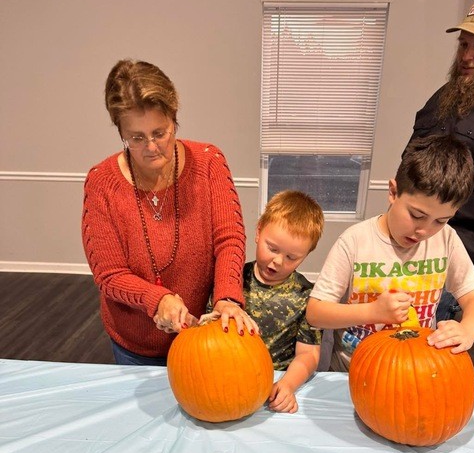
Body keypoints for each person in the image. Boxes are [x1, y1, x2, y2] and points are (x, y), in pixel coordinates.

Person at [82, 59, 257, 366]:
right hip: (135, 344)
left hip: (201, 333)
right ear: (120, 132)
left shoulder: (209, 163)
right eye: (136, 138)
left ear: (174, 120)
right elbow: (109, 274)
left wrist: (228, 297)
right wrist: (156, 299)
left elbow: (229, 239)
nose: (151, 147)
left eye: (159, 133)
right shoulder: (101, 183)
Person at [306, 135, 474, 372]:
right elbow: (316, 313)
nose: (424, 230)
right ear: (393, 192)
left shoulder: (446, 239)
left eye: (441, 220)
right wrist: (372, 312)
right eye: (416, 215)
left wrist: (468, 329)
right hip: (353, 371)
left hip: (414, 369)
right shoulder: (355, 241)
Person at [407, 0, 474, 310]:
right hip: (407, 240)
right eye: (463, 44)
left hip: (456, 249)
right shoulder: (444, 95)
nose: (467, 55)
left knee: (437, 327)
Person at [243, 190, 324, 413]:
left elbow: (308, 354)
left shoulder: (307, 296)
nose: (278, 261)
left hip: (279, 382)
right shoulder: (232, 280)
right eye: (272, 248)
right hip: (231, 377)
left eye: (291, 257)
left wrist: (288, 385)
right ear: (258, 231)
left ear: (306, 254)